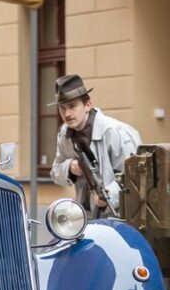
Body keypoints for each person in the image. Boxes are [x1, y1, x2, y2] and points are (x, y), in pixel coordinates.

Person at [50, 74, 141, 217]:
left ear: (87, 105)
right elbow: (55, 172)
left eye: (72, 106)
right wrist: (70, 167)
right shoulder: (64, 134)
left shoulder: (115, 132)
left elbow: (135, 178)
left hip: (122, 218)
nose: (67, 114)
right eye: (62, 108)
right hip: (85, 218)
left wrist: (108, 196)